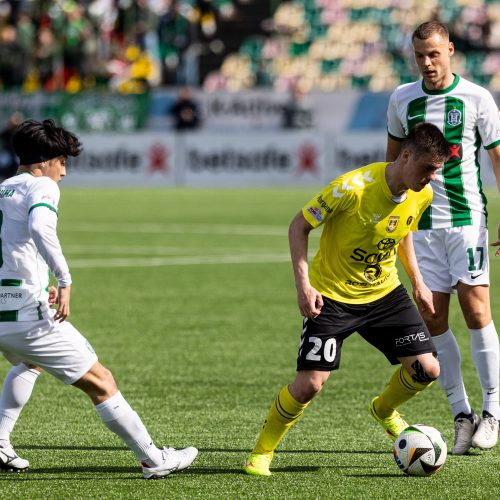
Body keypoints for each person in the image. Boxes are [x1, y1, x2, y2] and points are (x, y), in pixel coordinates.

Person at [244, 122, 450, 477]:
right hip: (333, 297)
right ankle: (262, 452)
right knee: (309, 385)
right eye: (428, 168)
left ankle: (384, 411)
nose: (431, 177)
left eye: (437, 170)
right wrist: (304, 286)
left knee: (427, 370)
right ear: (405, 155)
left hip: (385, 293)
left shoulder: (423, 194)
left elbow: (402, 232)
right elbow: (299, 226)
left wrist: (418, 282)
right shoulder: (351, 188)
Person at [0, 119, 198, 477]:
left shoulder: (3, 189)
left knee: (29, 363)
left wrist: (29, 279)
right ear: (45, 161)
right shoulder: (41, 184)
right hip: (27, 315)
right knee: (102, 381)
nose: (64, 172)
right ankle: (154, 460)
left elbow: (14, 248)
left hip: (5, 310)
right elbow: (39, 227)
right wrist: (63, 279)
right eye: (63, 161)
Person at [386, 20, 500, 455]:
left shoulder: (476, 97)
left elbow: (498, 158)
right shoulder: (402, 99)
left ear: (450, 50)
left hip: (466, 219)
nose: (427, 63)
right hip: (422, 227)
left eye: (434, 54)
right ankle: (462, 413)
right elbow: (393, 163)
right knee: (433, 319)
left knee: (476, 309)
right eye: (420, 56)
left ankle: (493, 411)